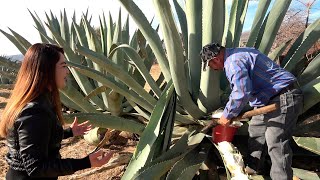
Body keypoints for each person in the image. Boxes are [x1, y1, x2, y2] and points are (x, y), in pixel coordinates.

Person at [0, 43, 113, 179]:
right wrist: (86, 162)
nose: (67, 71)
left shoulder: (40, 102)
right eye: (63, 66)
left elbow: (38, 138)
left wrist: (69, 132)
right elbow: (36, 168)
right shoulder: (34, 112)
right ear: (46, 70)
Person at [200, 42, 303, 180]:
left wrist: (227, 115)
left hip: (283, 97)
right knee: (255, 129)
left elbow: (241, 91)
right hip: (267, 100)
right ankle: (253, 168)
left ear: (216, 59)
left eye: (210, 65)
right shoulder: (238, 53)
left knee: (276, 142)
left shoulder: (233, 62)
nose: (212, 69)